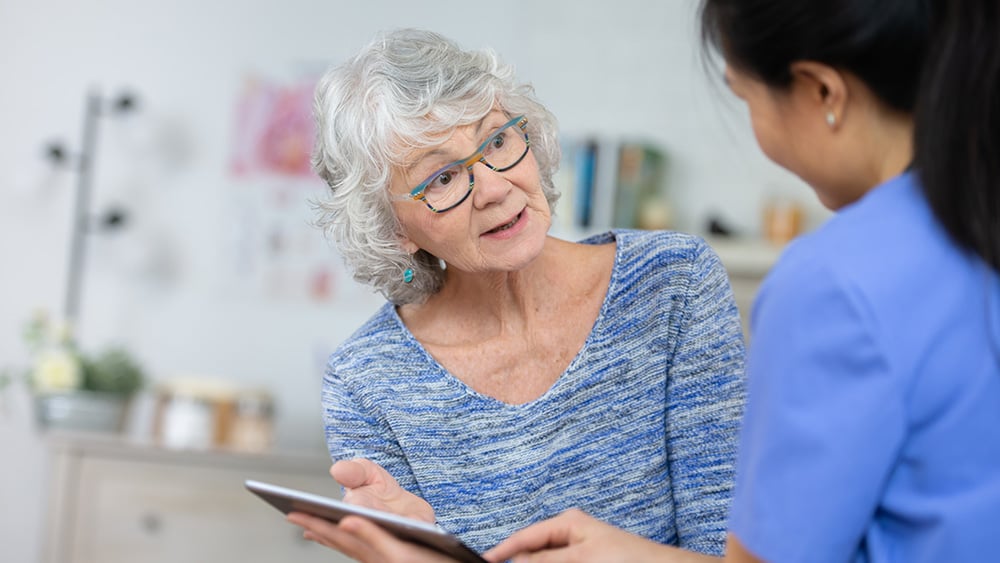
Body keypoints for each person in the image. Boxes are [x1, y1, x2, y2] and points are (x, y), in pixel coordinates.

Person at [480, 0, 1000, 561]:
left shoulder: (831, 285)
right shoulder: (973, 222)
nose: (486, 189)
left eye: (746, 96)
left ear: (823, 92)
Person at [287, 28, 747, 560]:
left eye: (497, 141)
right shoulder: (366, 382)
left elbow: (731, 553)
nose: (496, 188)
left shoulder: (674, 284)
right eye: (441, 178)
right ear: (395, 230)